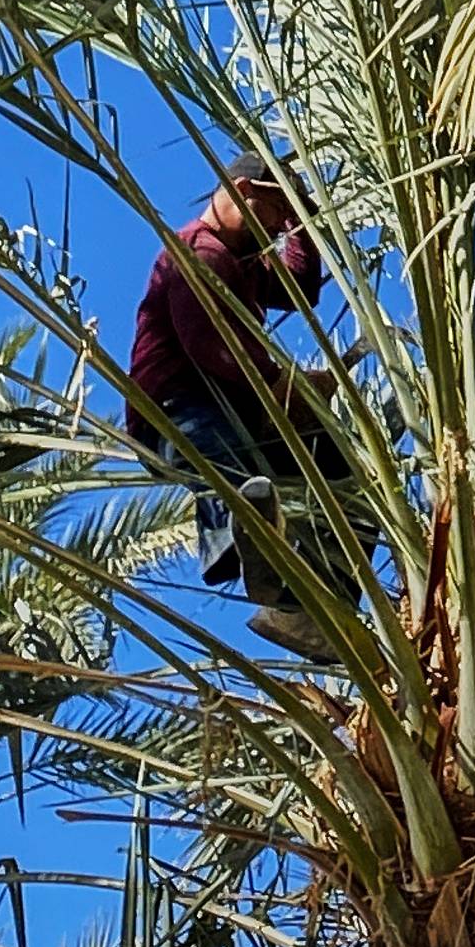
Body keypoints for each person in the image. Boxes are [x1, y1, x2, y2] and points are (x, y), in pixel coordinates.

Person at [127, 152, 350, 624]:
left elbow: (298, 291)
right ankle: (236, 542)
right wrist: (279, 386)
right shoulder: (198, 251)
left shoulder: (240, 260)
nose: (276, 228)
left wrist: (301, 226)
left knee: (339, 472)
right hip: (175, 406)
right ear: (244, 195)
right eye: (274, 213)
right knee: (228, 467)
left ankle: (314, 612)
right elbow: (209, 342)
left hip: (233, 402)